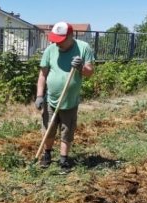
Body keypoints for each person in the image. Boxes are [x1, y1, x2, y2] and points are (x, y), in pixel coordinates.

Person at [35, 22, 95, 171]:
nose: (57, 43)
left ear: (70, 36)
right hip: (51, 100)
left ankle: (64, 160)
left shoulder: (83, 48)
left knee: (67, 131)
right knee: (48, 129)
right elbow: (43, 75)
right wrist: (39, 95)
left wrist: (81, 67)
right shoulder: (50, 50)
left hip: (70, 101)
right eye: (55, 40)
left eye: (60, 40)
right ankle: (47, 155)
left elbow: (90, 73)